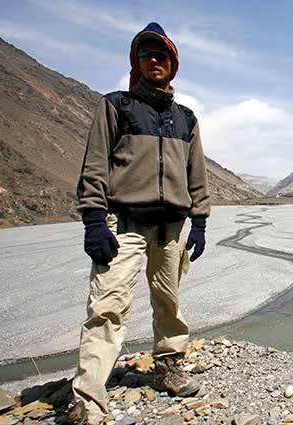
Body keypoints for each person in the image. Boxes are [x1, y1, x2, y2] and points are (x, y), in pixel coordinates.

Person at [69, 22, 210, 424]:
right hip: (124, 225)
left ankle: (168, 364)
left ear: (173, 64)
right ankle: (88, 398)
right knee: (107, 306)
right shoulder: (116, 106)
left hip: (171, 230)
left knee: (169, 304)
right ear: (137, 62)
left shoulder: (186, 119)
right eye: (147, 54)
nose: (155, 61)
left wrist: (199, 221)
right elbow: (94, 165)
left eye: (162, 55)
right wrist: (94, 220)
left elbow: (196, 173)